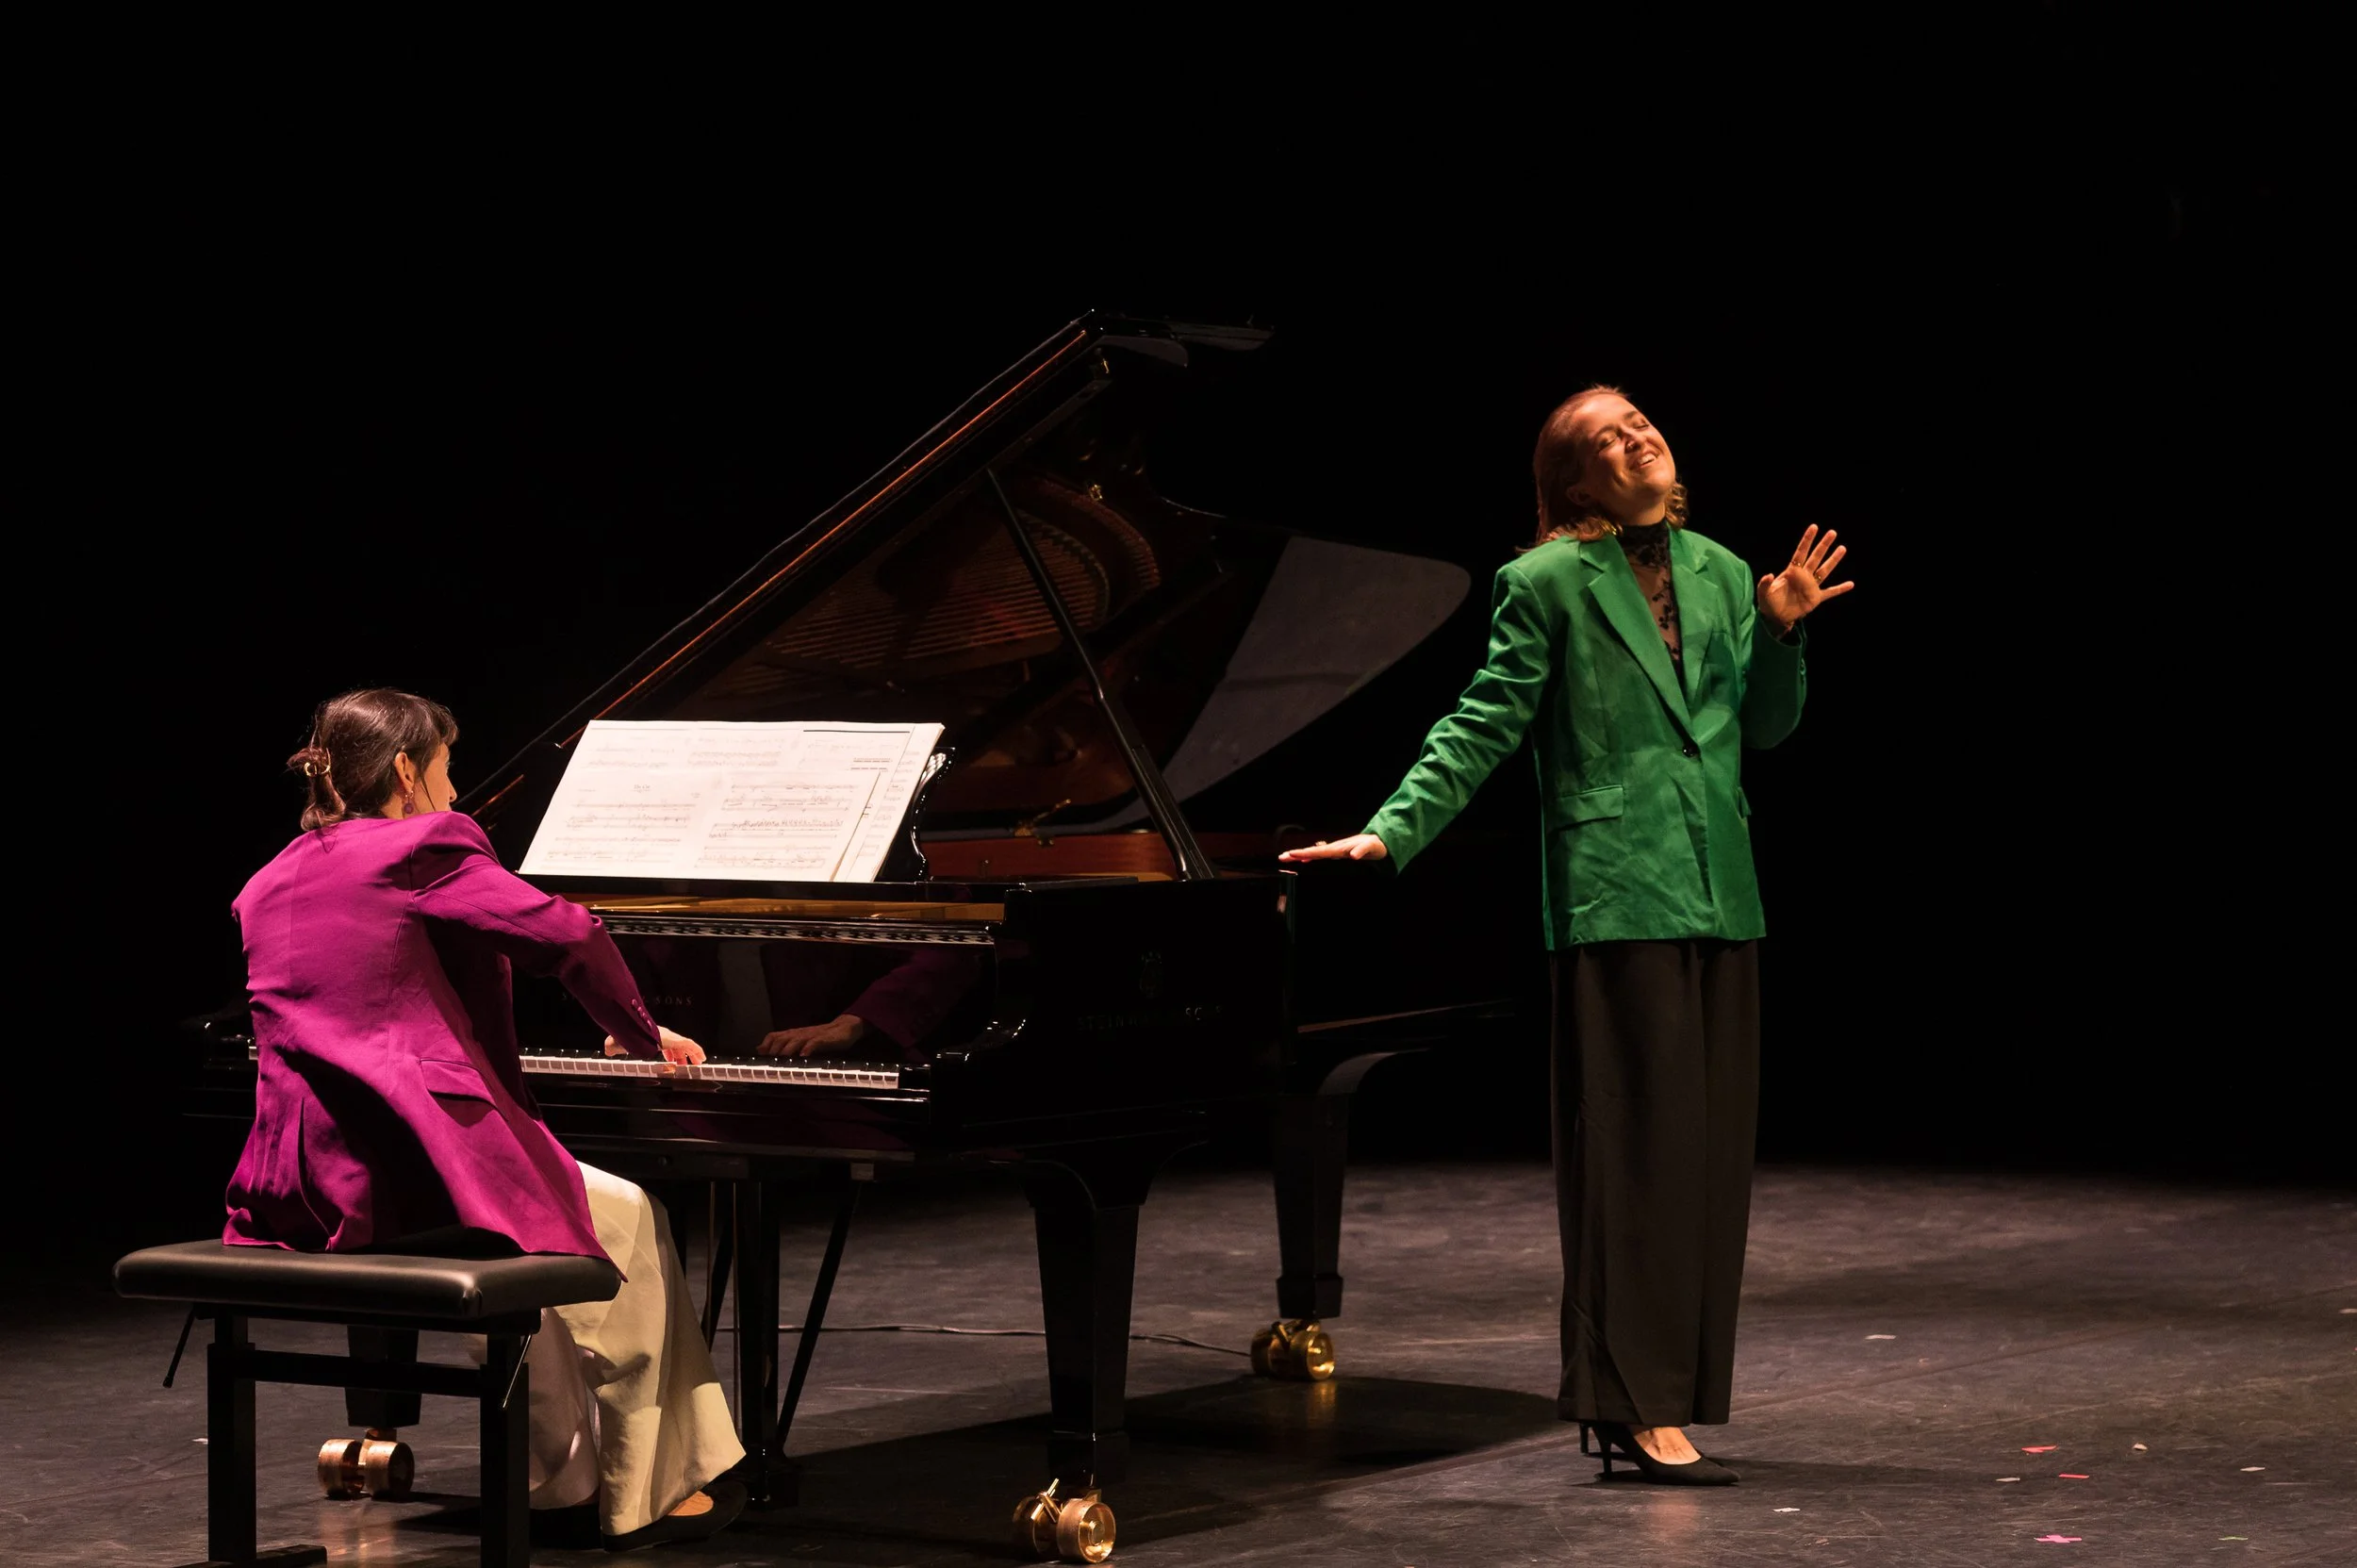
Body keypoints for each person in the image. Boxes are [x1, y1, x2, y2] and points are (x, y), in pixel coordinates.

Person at [1281, 387, 1852, 1485]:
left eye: (1642, 422)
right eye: (1606, 438)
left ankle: (1670, 1393)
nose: (1638, 437)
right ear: (1573, 485)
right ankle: (1627, 1402)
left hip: (1720, 888)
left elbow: (1765, 730)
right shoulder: (1543, 582)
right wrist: (1392, 831)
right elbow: (1485, 718)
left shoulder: (1726, 571)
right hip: (1616, 886)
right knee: (1633, 1155)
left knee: (1706, 1160)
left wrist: (1779, 630)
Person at [224, 686, 748, 1547]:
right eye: (446, 764)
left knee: (539, 1245)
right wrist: (637, 1029)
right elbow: (568, 934)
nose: (457, 788)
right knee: (618, 1220)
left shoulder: (269, 876)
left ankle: (558, 1478)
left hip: (301, 1180)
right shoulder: (425, 841)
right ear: (404, 769)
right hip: (416, 1167)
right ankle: (646, 1485)